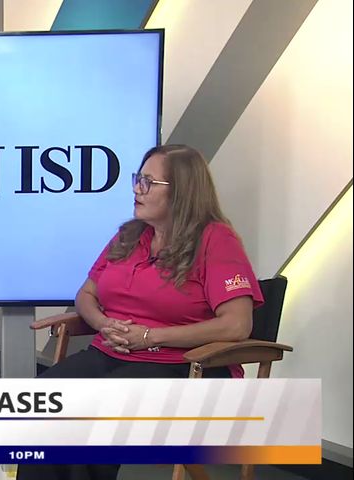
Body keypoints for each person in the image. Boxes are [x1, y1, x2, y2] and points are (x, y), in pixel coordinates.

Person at [16, 144, 264, 480]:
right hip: (111, 355)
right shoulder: (130, 235)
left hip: (183, 367)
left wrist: (150, 337)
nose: (136, 189)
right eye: (137, 179)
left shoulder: (216, 240)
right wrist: (103, 322)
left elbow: (237, 325)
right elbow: (86, 294)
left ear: (181, 192)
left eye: (148, 182)